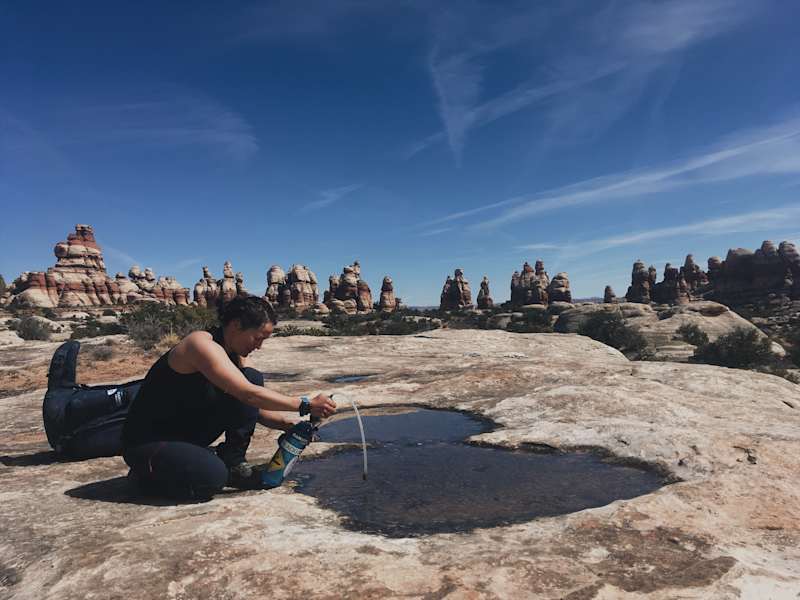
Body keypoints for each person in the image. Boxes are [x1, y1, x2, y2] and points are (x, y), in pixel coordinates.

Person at [122, 295, 336, 500]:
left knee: (252, 376)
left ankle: (233, 461)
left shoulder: (235, 354)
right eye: (258, 337)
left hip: (186, 434)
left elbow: (249, 405)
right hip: (150, 441)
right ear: (236, 326)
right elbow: (249, 394)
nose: (259, 346)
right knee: (211, 479)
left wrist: (288, 425)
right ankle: (146, 475)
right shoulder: (200, 344)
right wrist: (306, 405)